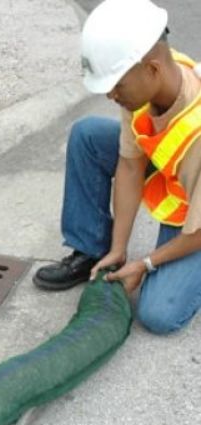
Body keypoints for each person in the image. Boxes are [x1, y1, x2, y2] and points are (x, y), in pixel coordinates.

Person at [33, 0, 201, 334]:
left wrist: (147, 263)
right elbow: (129, 164)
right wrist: (119, 248)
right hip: (179, 175)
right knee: (89, 135)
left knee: (158, 314)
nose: (111, 95)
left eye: (117, 85)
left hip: (195, 210)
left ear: (151, 70)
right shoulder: (151, 83)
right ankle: (91, 250)